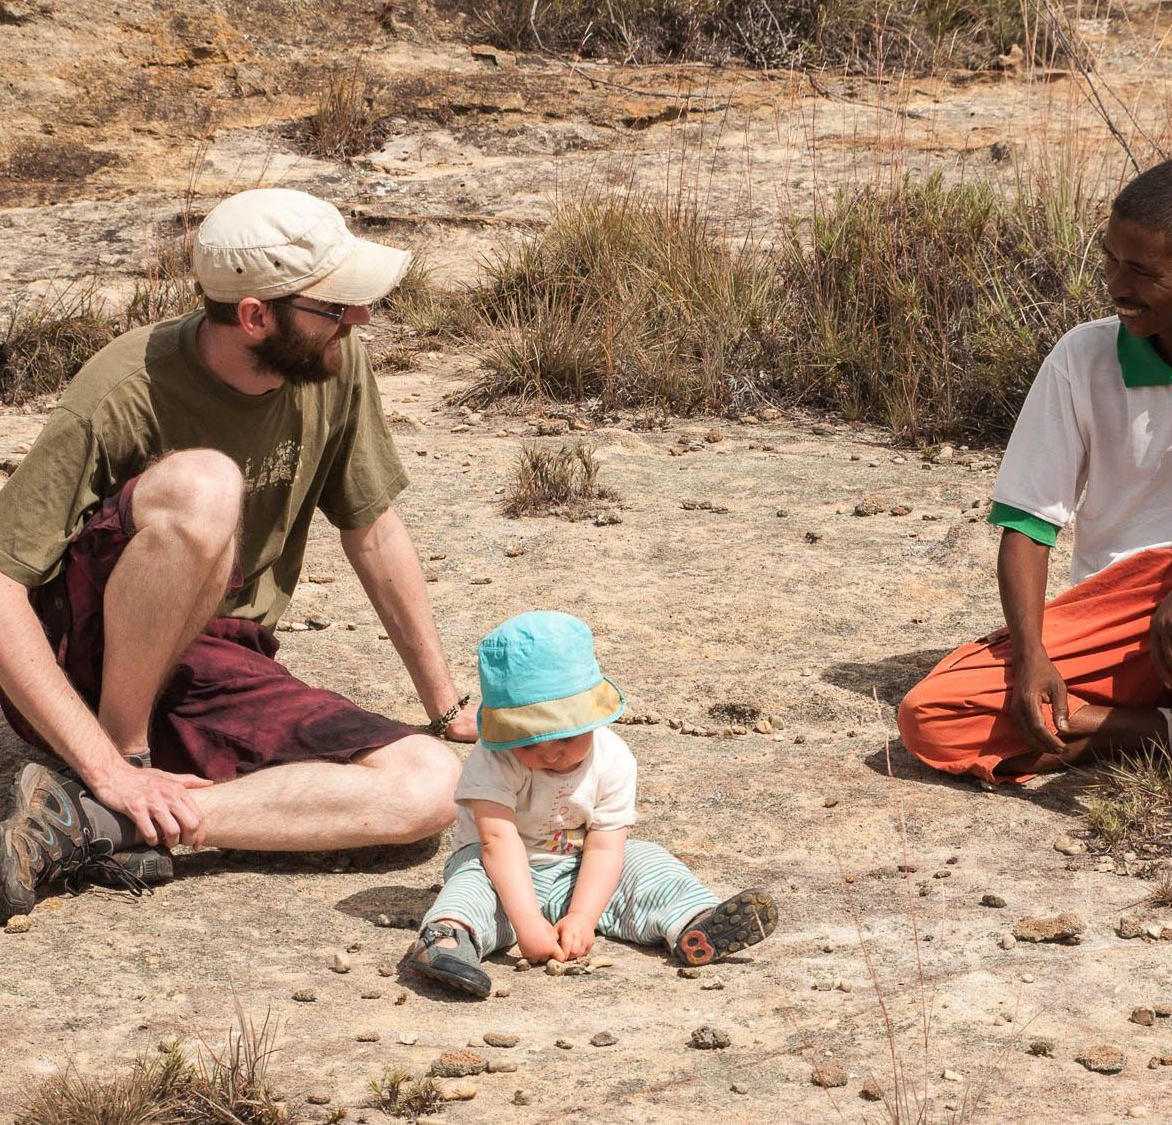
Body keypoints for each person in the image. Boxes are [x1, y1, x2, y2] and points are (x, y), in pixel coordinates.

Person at [0, 188, 476, 923]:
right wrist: (105, 761)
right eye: (336, 307)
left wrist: (443, 709)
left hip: (217, 659)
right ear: (255, 315)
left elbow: (372, 530)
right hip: (89, 656)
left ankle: (103, 822)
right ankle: (122, 767)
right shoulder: (123, 388)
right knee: (206, 483)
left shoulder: (334, 365)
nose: (360, 320)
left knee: (429, 785)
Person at [897, 157, 1172, 852]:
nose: (1116, 288)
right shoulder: (1083, 357)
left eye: (1142, 272)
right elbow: (1025, 524)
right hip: (1130, 613)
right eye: (1110, 261)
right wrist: (1031, 655)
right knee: (934, 715)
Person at [403, 611, 778, 998]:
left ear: (592, 718)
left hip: (580, 872)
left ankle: (695, 922)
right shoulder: (493, 757)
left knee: (645, 861)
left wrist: (583, 916)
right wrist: (528, 923)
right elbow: (497, 841)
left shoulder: (614, 757)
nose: (550, 753)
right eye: (529, 742)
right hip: (501, 875)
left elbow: (605, 845)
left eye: (565, 737)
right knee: (470, 884)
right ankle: (448, 940)